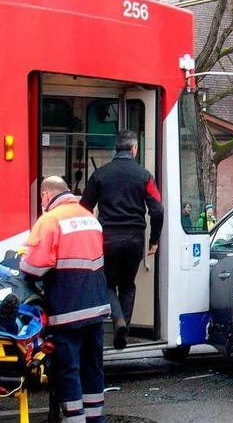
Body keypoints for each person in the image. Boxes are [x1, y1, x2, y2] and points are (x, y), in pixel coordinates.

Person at [20, 176, 110, 422]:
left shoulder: (49, 220)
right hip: (97, 306)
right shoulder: (90, 218)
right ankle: (95, 417)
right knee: (93, 365)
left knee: (68, 367)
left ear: (45, 196)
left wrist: (20, 264)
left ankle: (74, 418)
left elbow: (34, 267)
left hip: (68, 309)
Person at [80, 130, 164, 349]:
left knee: (107, 284)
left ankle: (117, 320)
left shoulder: (101, 175)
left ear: (115, 149)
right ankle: (124, 326)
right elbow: (157, 210)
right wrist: (154, 240)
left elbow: (84, 208)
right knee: (128, 286)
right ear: (134, 149)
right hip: (135, 239)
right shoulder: (144, 175)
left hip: (106, 238)